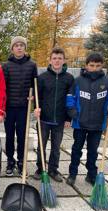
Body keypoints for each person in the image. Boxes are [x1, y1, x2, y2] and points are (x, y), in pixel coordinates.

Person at [66, 52, 108, 186]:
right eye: (91, 65)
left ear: (102, 66)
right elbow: (70, 98)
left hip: (97, 123)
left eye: (97, 66)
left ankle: (91, 174)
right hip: (80, 123)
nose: (94, 68)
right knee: (76, 149)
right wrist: (72, 111)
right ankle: (72, 174)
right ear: (86, 65)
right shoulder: (78, 81)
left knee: (93, 151)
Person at [33, 47, 74, 182]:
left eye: (59, 58)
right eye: (54, 58)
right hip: (44, 118)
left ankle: (53, 170)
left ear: (64, 60)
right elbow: (37, 96)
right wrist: (36, 108)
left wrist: (68, 118)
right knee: (41, 146)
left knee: (56, 147)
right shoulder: (42, 77)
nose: (57, 61)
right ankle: (40, 168)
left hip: (60, 119)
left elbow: (70, 99)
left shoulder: (69, 78)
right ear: (50, 60)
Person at [1, 36, 37, 176]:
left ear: (25, 48)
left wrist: (33, 95)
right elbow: (3, 87)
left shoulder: (32, 65)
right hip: (10, 107)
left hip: (24, 107)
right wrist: (2, 107)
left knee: (22, 136)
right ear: (12, 48)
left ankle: (21, 161)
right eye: (16, 45)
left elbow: (35, 84)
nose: (19, 47)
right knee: (10, 136)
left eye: (22, 45)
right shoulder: (6, 66)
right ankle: (10, 161)